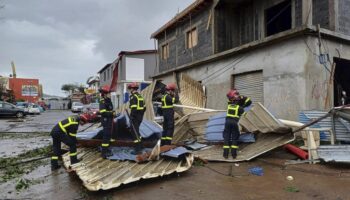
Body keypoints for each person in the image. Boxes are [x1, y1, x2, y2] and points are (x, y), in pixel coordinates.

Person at [223, 89, 252, 159]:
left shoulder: (229, 106)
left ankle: (225, 155)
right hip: (234, 123)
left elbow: (249, 101)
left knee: (226, 138)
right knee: (234, 138)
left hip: (227, 122)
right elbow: (245, 114)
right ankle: (234, 155)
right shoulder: (239, 107)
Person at [127, 82, 145, 154]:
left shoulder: (133, 97)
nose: (130, 90)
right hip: (140, 117)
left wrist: (131, 117)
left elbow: (134, 109)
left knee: (134, 133)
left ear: (132, 89)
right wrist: (140, 115)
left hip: (135, 117)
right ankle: (141, 146)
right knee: (137, 131)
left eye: (130, 89)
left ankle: (137, 150)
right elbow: (144, 108)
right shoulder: (140, 96)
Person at [99, 85, 115, 158]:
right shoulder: (102, 101)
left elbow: (111, 109)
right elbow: (103, 112)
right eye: (108, 93)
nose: (109, 94)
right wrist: (112, 113)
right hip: (105, 121)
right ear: (104, 93)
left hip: (110, 120)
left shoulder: (108, 100)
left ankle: (107, 149)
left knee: (108, 136)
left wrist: (113, 113)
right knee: (106, 137)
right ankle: (104, 153)